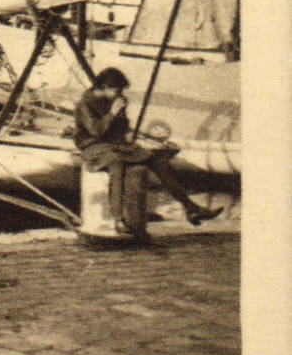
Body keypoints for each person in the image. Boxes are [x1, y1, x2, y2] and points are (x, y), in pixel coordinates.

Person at [74, 67, 222, 232]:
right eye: (117, 89)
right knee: (117, 165)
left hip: (113, 145)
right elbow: (96, 131)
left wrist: (121, 119)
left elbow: (120, 129)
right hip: (93, 147)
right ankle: (118, 220)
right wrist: (112, 113)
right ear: (105, 86)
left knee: (158, 161)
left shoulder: (112, 100)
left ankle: (191, 208)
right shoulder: (85, 104)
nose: (120, 93)